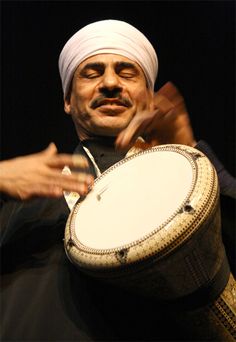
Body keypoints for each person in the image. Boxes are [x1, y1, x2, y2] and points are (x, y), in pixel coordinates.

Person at [0, 19, 235, 341]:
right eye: (91, 73)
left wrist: (193, 156)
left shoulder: (182, 182)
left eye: (127, 72)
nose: (110, 83)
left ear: (150, 97)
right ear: (68, 100)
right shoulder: (20, 193)